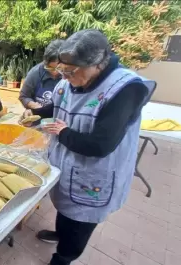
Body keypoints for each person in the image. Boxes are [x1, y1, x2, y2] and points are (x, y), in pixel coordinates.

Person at [22, 29, 156, 265]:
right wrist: (34, 113)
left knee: (81, 221)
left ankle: (64, 257)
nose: (65, 76)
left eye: (70, 71)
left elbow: (101, 144)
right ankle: (61, 235)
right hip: (67, 164)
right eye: (62, 70)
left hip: (94, 174)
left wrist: (62, 132)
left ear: (96, 65)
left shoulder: (125, 89)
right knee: (65, 208)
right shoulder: (71, 80)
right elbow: (57, 106)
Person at [19, 39, 65, 111]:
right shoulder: (35, 73)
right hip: (40, 117)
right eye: (50, 68)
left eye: (59, 69)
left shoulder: (71, 76)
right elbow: (24, 96)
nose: (55, 72)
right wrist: (33, 105)